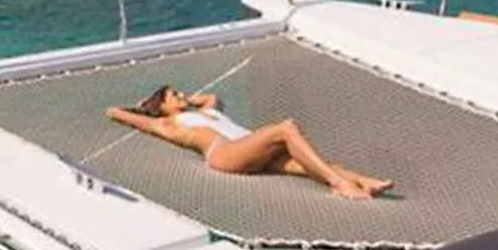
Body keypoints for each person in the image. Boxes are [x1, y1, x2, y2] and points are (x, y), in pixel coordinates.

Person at [105, 86, 393, 200]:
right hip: (225, 154)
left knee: (308, 163)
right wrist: (144, 107)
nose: (181, 95)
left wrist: (188, 100)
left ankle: (361, 181)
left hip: (249, 150)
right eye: (174, 95)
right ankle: (339, 184)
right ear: (161, 107)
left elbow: (211, 97)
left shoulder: (205, 111)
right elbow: (115, 112)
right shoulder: (168, 124)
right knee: (286, 129)